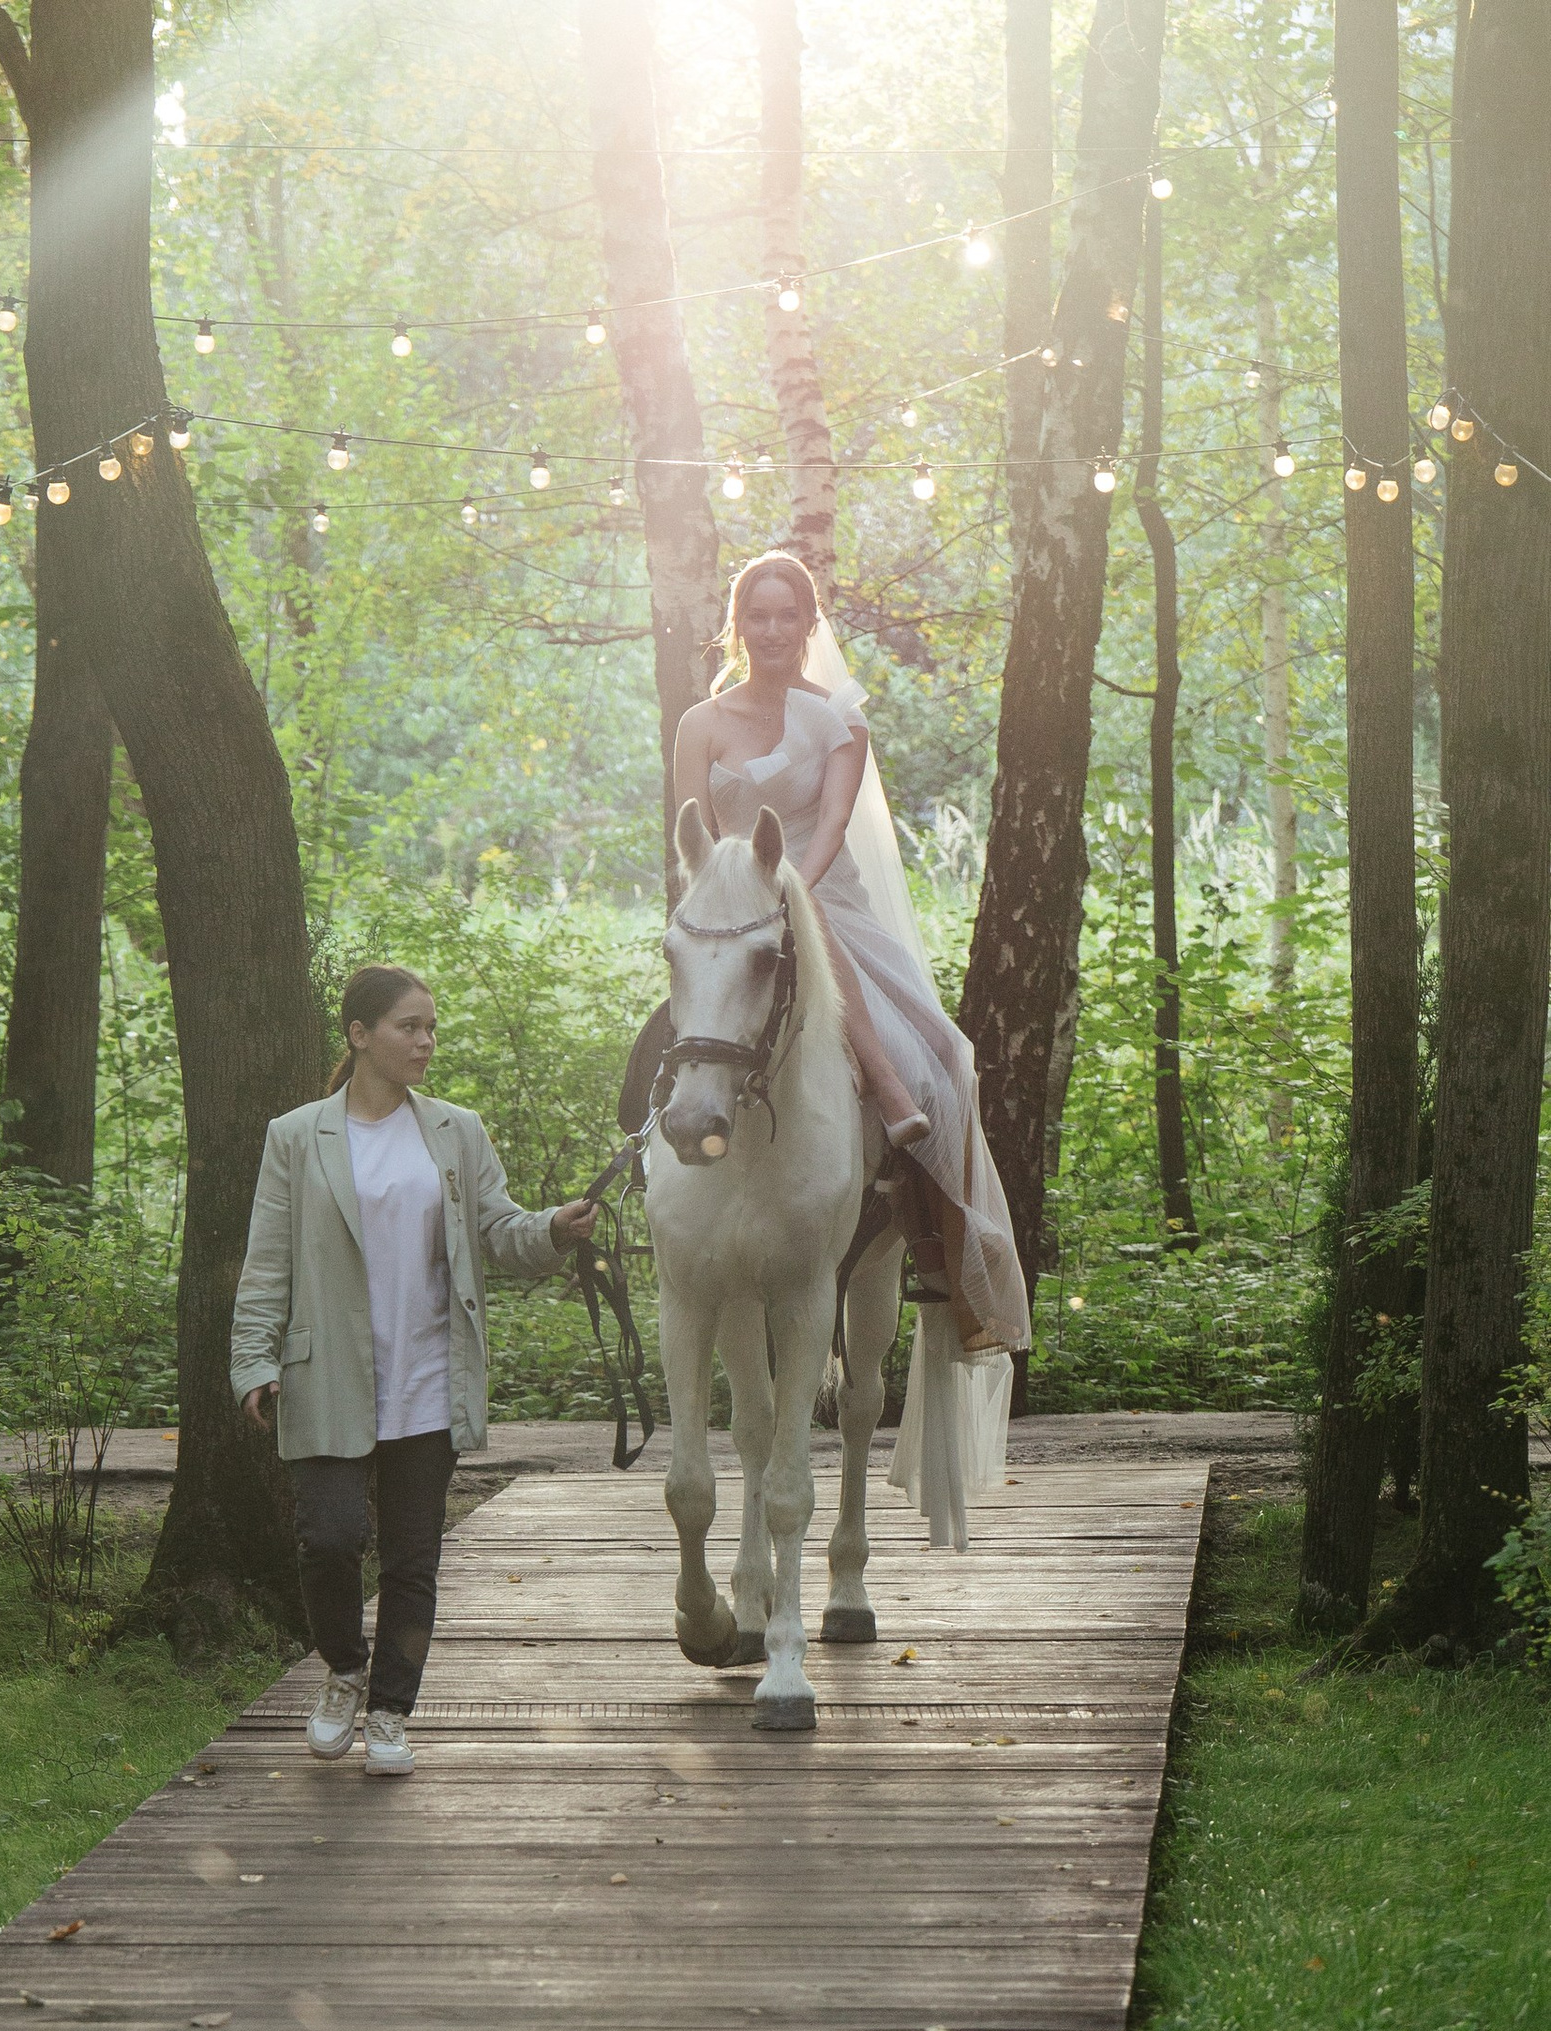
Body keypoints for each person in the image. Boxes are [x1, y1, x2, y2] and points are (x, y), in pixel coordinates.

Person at [669, 549, 1032, 1482]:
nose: (776, 630)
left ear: (808, 623)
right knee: (681, 1031)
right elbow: (683, 836)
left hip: (826, 898)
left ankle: (940, 1246)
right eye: (760, 615)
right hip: (728, 918)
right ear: (738, 623)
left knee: (946, 1057)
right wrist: (717, 907)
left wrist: (789, 889)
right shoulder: (700, 723)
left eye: (791, 615)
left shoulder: (839, 720)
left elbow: (827, 827)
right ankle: (653, 1171)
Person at [231, 967, 597, 1776]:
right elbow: (266, 1265)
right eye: (409, 1027)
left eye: (432, 1027)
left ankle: (392, 1711)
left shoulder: (457, 1132)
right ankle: (343, 1672)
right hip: (326, 1372)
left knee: (411, 1561)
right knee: (328, 1540)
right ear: (360, 1035)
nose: (426, 1041)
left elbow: (499, 1231)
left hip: (430, 1375)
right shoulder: (297, 1136)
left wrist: (554, 1230)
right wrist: (253, 1360)